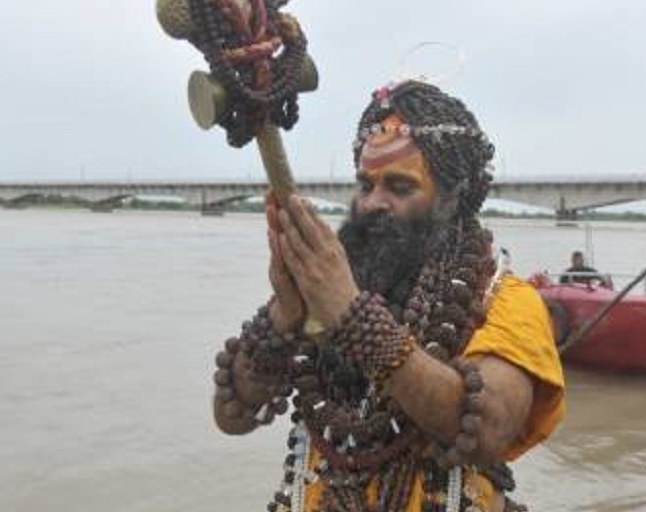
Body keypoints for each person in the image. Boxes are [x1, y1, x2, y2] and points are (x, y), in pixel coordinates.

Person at [211, 80, 565, 512]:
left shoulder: (506, 299)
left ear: (452, 197)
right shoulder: (333, 288)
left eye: (399, 187)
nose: (373, 203)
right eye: (366, 185)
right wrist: (285, 313)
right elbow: (233, 415)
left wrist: (353, 317)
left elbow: (488, 427)